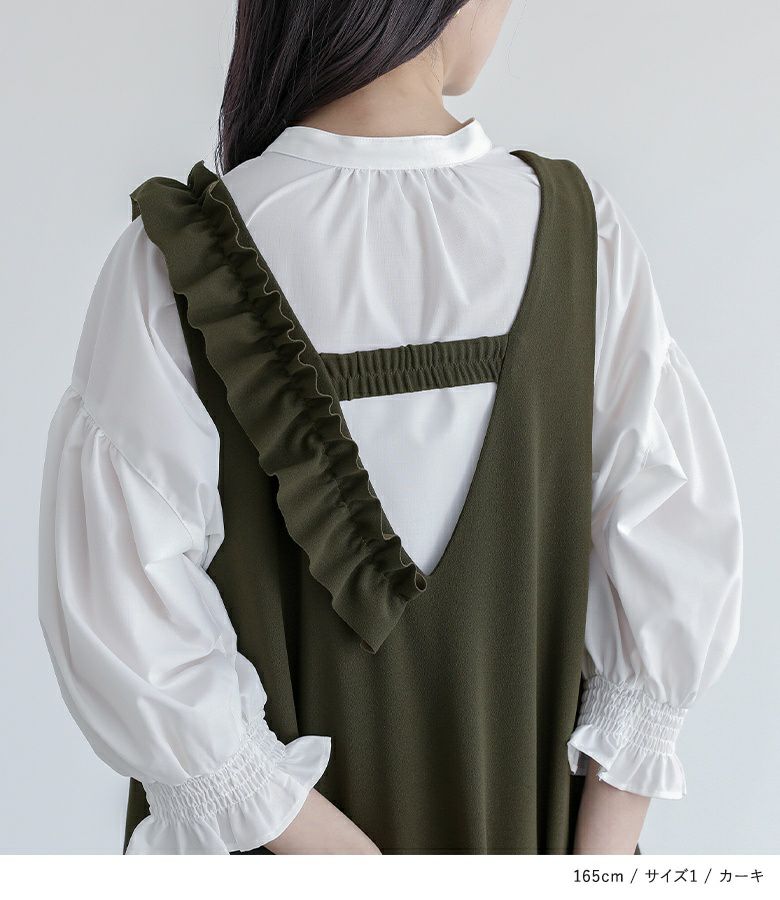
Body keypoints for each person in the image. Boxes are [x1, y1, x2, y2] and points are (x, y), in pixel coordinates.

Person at [37, 0, 742, 855]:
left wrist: (330, 851)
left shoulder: (171, 260)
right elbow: (673, 566)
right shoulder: (580, 236)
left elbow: (124, 618)